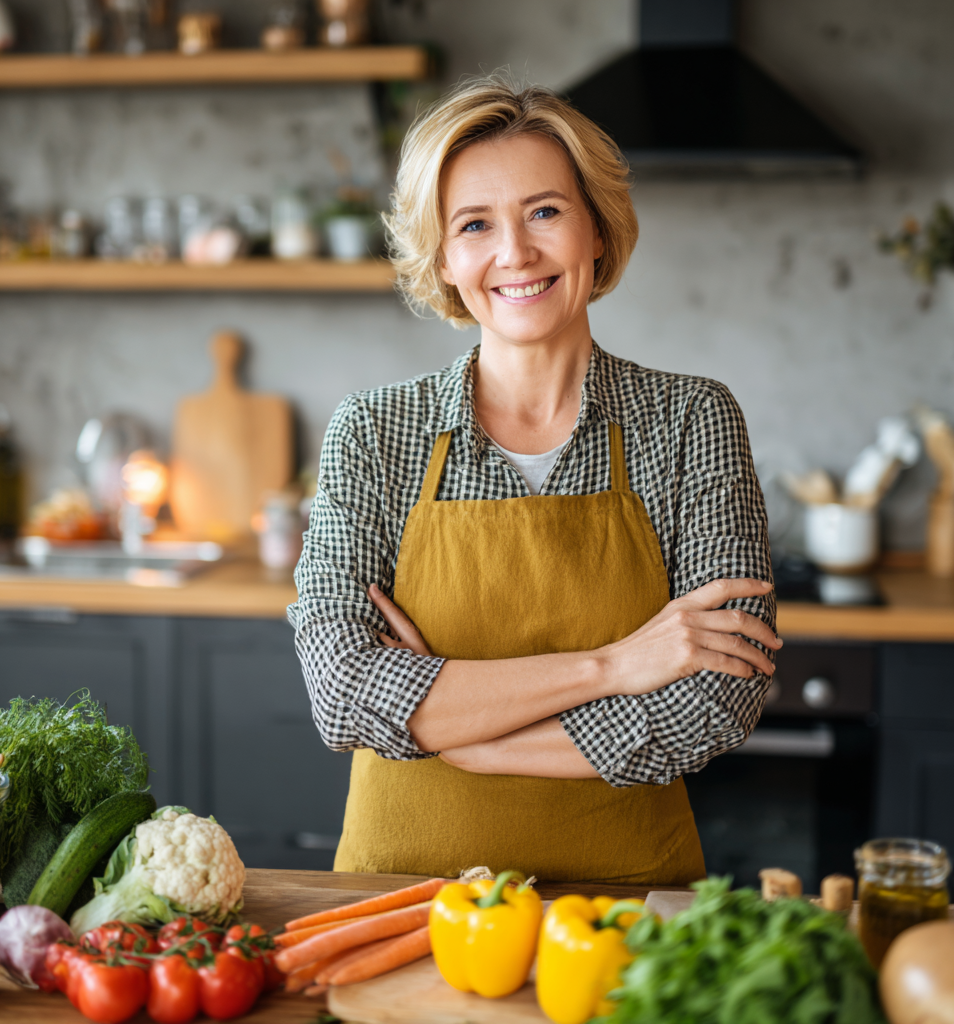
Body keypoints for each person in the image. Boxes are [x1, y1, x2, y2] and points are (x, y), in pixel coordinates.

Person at [288, 74, 778, 884]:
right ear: (444, 257)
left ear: (595, 229)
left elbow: (718, 697)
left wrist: (470, 738)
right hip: (402, 905)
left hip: (628, 908)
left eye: (544, 212)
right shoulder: (375, 433)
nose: (515, 253)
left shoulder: (692, 420)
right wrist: (616, 666)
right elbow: (343, 691)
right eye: (475, 224)